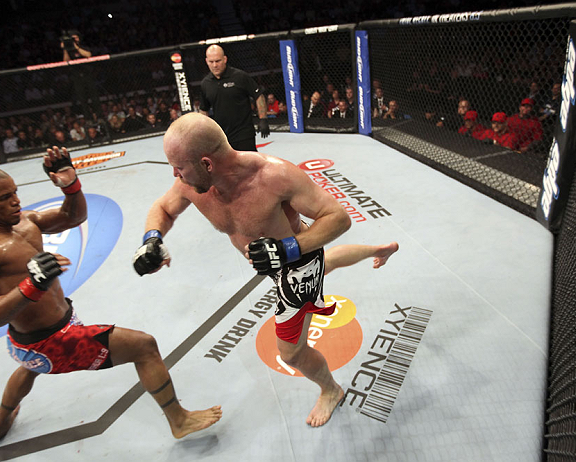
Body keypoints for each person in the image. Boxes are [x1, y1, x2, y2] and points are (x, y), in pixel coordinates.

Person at [133, 113, 398, 427]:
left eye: (179, 165)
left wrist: (286, 249)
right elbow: (162, 208)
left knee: (291, 354)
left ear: (207, 164)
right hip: (270, 261)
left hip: (296, 264)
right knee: (330, 262)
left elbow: (338, 218)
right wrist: (152, 239)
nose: (174, 173)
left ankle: (331, 390)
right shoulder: (190, 184)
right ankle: (379, 250)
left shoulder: (275, 176)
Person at [0, 146, 221, 446]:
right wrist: (31, 285)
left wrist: (71, 185)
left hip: (38, 333)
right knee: (144, 346)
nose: (16, 201)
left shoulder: (23, 221)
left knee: (28, 368)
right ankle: (179, 420)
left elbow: (73, 216)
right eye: (4, 198)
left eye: (14, 192)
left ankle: (0, 422)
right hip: (47, 342)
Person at [199, 44, 269, 151]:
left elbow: (258, 95)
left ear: (225, 59)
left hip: (243, 134)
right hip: (221, 136)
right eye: (211, 62)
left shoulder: (240, 76)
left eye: (218, 61)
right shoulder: (205, 83)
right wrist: (204, 131)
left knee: (248, 165)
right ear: (206, 61)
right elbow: (204, 110)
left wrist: (263, 119)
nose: (214, 65)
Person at [61, 30, 100, 120]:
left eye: (76, 37)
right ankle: (88, 118)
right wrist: (65, 49)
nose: (75, 39)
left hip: (87, 75)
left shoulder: (83, 47)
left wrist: (76, 47)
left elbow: (88, 55)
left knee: (94, 98)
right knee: (82, 99)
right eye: (73, 38)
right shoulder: (69, 51)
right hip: (77, 77)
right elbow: (65, 61)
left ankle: (99, 116)